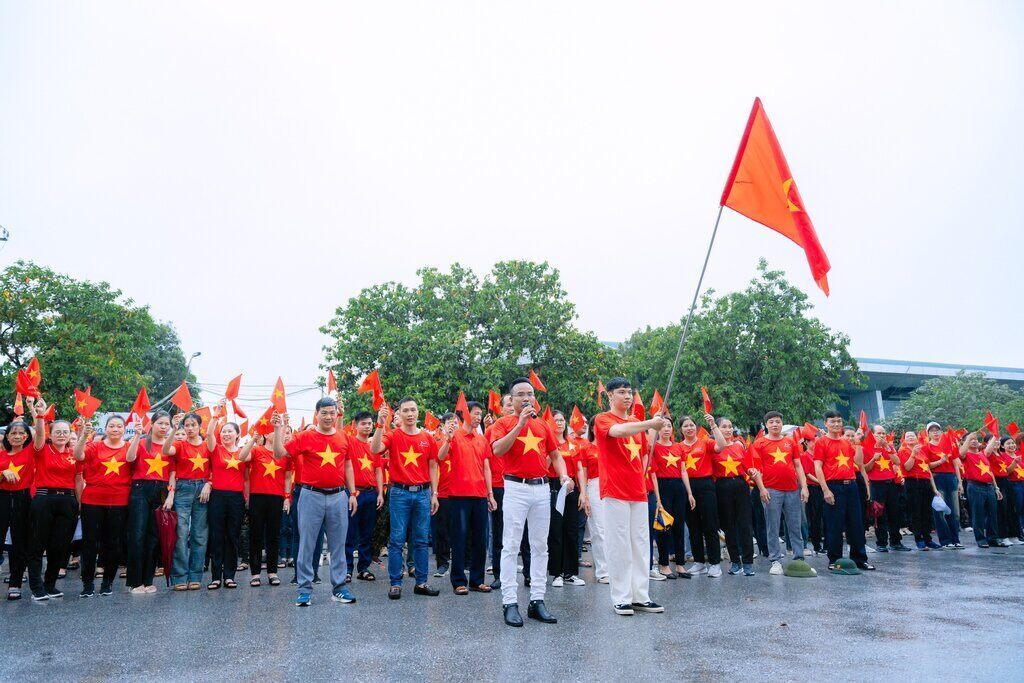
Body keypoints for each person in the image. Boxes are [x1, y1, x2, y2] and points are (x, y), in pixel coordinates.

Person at [489, 377, 569, 627]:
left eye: (530, 394)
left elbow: (556, 455)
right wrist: (519, 424)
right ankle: (510, 602)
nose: (526, 398)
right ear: (511, 399)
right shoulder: (502, 423)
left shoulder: (544, 426)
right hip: (515, 487)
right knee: (511, 546)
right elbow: (498, 450)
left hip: (541, 489)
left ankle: (537, 600)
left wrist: (564, 474)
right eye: (520, 394)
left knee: (540, 546)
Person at [273, 397, 358, 607]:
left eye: (332, 413)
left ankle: (339, 589)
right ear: (316, 414)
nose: (328, 417)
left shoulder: (344, 438)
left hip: (339, 496)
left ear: (337, 413)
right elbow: (279, 454)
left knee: (338, 545)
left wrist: (353, 493)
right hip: (311, 496)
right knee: (307, 545)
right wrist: (277, 430)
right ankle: (304, 590)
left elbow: (348, 466)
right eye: (324, 413)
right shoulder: (304, 437)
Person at [593, 377, 665, 616]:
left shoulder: (637, 423)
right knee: (619, 544)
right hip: (615, 490)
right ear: (610, 396)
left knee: (641, 544)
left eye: (629, 393)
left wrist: (648, 427)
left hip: (638, 491)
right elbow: (618, 431)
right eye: (621, 392)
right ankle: (622, 597)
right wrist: (649, 423)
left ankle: (640, 596)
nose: (626, 396)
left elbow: (644, 454)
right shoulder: (604, 420)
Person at [371, 397, 441, 600]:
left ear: (418, 412)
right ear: (399, 414)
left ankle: (421, 582)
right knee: (396, 540)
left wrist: (434, 494)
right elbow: (375, 449)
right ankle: (395, 584)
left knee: (420, 540)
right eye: (405, 411)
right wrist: (379, 424)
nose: (410, 414)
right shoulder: (392, 435)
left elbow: (433, 466)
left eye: (413, 410)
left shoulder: (427, 438)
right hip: (399, 493)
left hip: (422, 493)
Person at [74, 414, 137, 597]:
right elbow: (78, 455)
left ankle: (107, 582)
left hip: (119, 501)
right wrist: (83, 437)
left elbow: (132, 460)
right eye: (112, 426)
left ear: (124, 429)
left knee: (114, 543)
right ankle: (87, 583)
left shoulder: (128, 447)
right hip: (92, 500)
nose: (115, 429)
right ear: (106, 428)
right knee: (90, 543)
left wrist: (137, 436)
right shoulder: (95, 446)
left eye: (119, 426)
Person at [439, 400, 493, 594]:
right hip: (459, 495)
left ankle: (477, 580)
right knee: (459, 538)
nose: (478, 417)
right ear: (466, 414)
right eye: (475, 413)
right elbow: (440, 456)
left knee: (480, 539)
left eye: (480, 414)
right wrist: (448, 438)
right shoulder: (455, 436)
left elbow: (486, 467)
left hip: (479, 495)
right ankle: (458, 581)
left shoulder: (482, 439)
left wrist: (490, 494)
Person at [750, 411, 812, 575]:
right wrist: (762, 489)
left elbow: (798, 466)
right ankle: (775, 560)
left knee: (795, 525)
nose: (775, 424)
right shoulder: (759, 443)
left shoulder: (790, 442)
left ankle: (799, 558)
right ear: (766, 425)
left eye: (778, 421)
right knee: (773, 527)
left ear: (781, 423)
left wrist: (804, 487)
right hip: (771, 490)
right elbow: (755, 469)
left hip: (792, 490)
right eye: (771, 422)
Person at [27, 402, 78, 601]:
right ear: (51, 433)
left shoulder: (74, 454)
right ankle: (36, 587)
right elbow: (39, 435)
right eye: (58, 431)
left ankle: (50, 584)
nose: (62, 435)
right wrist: (40, 416)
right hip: (44, 499)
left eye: (65, 432)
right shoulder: (42, 449)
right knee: (38, 545)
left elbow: (79, 479)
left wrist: (79, 503)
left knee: (60, 546)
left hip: (68, 501)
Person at [814, 411, 873, 571]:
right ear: (826, 423)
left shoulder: (847, 442)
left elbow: (859, 462)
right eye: (832, 421)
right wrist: (825, 490)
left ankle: (860, 559)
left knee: (856, 523)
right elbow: (817, 467)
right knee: (835, 525)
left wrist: (859, 442)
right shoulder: (821, 442)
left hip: (851, 485)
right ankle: (835, 560)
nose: (836, 424)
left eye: (839, 421)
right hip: (833, 486)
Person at [126, 410, 173, 594]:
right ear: (152, 424)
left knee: (154, 537)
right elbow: (129, 458)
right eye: (160, 423)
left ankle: (148, 579)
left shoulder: (170, 446)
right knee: (137, 535)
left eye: (166, 424)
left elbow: (172, 474)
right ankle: (135, 582)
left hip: (161, 491)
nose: (163, 427)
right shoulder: (142, 441)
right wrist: (137, 436)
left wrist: (170, 494)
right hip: (140, 489)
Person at [163, 412, 211, 590]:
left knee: (199, 534)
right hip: (183, 489)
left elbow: (216, 469)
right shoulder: (180, 444)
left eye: (193, 425)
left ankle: (196, 575)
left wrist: (209, 484)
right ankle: (179, 576)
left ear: (200, 426)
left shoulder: (208, 446)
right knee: (181, 533)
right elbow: (166, 450)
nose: (190, 428)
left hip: (203, 490)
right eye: (187, 425)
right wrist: (173, 430)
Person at [205, 417, 255, 589]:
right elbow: (208, 433)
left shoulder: (243, 452)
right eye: (223, 431)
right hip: (218, 497)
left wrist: (247, 499)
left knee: (232, 536)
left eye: (229, 431)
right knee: (217, 536)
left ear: (237, 435)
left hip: (236, 498)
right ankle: (216, 577)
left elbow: (247, 478)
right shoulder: (216, 449)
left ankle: (229, 576)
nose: (225, 434)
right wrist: (215, 417)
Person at [705, 413, 756, 576]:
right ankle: (735, 561)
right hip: (722, 486)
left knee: (745, 525)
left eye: (729, 426)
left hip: (741, 485)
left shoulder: (740, 445)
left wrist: (752, 471)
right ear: (716, 429)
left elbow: (748, 465)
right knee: (729, 526)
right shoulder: (713, 447)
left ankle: (748, 562)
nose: (728, 430)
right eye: (724, 427)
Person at [547, 410, 588, 587]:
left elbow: (580, 469)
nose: (559, 423)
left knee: (571, 529)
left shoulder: (573, 444)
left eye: (562, 420)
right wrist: (550, 453)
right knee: (555, 529)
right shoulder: (547, 444)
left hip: (572, 487)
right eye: (556, 420)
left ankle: (570, 572)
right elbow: (546, 465)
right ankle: (556, 573)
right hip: (553, 486)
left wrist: (583, 493)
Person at [677, 416, 721, 577]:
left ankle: (715, 563)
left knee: (709, 525)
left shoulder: (705, 442)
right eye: (685, 426)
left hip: (706, 485)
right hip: (687, 487)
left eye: (692, 425)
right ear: (681, 429)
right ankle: (699, 562)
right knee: (693, 527)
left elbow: (721, 446)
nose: (689, 428)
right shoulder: (678, 447)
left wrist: (713, 425)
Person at [247, 430, 292, 586]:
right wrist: (252, 439)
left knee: (274, 535)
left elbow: (287, 477)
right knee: (256, 535)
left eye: (277, 431)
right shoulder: (256, 450)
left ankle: (272, 571)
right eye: (271, 431)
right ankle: (255, 573)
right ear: (265, 435)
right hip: (257, 496)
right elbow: (243, 458)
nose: (275, 433)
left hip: (277, 497)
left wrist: (287, 497)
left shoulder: (284, 454)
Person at [650, 420, 695, 578]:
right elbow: (653, 474)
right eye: (662, 426)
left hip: (678, 487)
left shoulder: (678, 447)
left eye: (669, 426)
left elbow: (683, 470)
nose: (666, 429)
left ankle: (681, 564)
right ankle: (664, 565)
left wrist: (689, 492)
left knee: (679, 526)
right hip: (662, 486)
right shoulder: (654, 447)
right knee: (664, 527)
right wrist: (658, 498)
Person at [344, 411, 383, 583]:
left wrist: (380, 493)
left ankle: (364, 568)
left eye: (369, 424)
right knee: (349, 532)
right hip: (353, 493)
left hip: (370, 493)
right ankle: (347, 569)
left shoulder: (375, 445)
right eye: (364, 424)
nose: (367, 427)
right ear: (356, 425)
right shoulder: (350, 442)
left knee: (367, 533)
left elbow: (378, 470)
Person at [861, 424, 910, 552]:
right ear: (872, 434)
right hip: (876, 484)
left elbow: (897, 461)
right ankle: (881, 543)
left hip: (891, 483)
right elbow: (865, 468)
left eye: (884, 433)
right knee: (879, 514)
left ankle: (896, 542)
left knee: (894, 512)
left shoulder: (888, 446)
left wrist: (887, 447)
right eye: (879, 433)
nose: (882, 436)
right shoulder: (866, 447)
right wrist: (873, 459)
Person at [1, 417, 34, 600]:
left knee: (20, 542)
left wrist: (35, 411)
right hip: (2, 498)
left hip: (23, 498)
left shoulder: (31, 452)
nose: (17, 436)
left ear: (27, 436)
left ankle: (15, 583)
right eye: (13, 432)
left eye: (22, 433)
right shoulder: (1, 455)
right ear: (7, 436)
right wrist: (2, 473)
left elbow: (40, 436)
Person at [484, 393, 514, 589]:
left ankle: (528, 575)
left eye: (515, 403)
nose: (512, 406)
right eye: (508, 404)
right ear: (501, 409)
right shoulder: (493, 430)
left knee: (523, 533)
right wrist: (489, 492)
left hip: (520, 486)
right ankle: (499, 574)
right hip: (498, 486)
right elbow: (485, 458)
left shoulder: (529, 425)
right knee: (499, 533)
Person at [922, 422, 964, 549]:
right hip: (937, 478)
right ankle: (945, 541)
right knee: (940, 511)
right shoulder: (926, 447)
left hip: (951, 478)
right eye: (932, 430)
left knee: (954, 512)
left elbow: (956, 463)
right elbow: (926, 466)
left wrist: (960, 481)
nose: (935, 432)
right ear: (928, 433)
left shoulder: (950, 445)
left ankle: (955, 539)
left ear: (941, 431)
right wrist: (940, 461)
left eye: (937, 430)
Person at [899, 431, 941, 550]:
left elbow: (928, 470)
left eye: (912, 435)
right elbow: (907, 467)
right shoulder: (903, 451)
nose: (910, 437)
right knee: (916, 513)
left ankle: (928, 539)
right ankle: (919, 539)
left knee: (927, 513)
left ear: (917, 438)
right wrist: (913, 454)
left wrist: (934, 488)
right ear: (905, 440)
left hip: (926, 483)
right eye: (908, 436)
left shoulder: (922, 450)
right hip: (913, 483)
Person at [578, 416, 607, 583]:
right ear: (592, 428)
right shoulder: (586, 447)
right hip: (595, 486)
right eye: (597, 425)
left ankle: (616, 569)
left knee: (614, 531)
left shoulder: (612, 446)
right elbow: (583, 472)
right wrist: (585, 494)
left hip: (613, 486)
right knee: (599, 530)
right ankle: (603, 571)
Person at [960, 432, 1001, 547]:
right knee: (978, 514)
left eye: (975, 439)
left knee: (992, 513)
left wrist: (996, 487)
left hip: (989, 486)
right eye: (971, 439)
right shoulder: (966, 455)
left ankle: (993, 538)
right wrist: (968, 438)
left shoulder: (983, 454)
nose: (974, 441)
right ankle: (981, 539)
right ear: (965, 442)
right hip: (975, 486)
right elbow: (961, 453)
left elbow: (990, 472)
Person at [432, 413, 454, 579]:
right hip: (443, 493)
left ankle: (465, 562)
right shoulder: (438, 443)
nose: (453, 425)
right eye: (449, 423)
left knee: (463, 531)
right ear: (442, 426)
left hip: (461, 493)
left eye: (456, 423)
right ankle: (442, 564)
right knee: (442, 532)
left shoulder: (463, 442)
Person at [991, 436, 1022, 546]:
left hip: (1006, 482)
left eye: (1013, 443)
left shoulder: (1000, 455)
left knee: (1011, 510)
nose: (996, 443)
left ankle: (1014, 535)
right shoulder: (993, 455)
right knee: (1002, 510)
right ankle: (1003, 536)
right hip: (999, 483)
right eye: (1008, 443)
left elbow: (1006, 471)